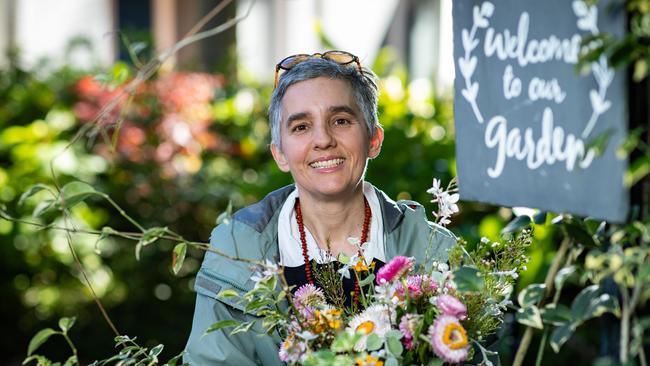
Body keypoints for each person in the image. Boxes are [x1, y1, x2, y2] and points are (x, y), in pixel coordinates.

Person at [183, 51, 456, 365]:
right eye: (300, 127)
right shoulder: (238, 248)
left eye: (340, 121)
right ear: (279, 154)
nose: (323, 140)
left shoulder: (431, 249)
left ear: (374, 139)